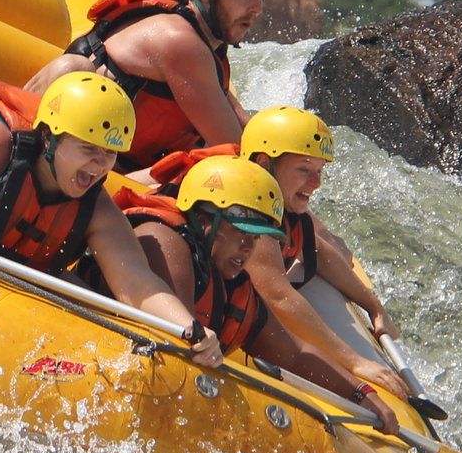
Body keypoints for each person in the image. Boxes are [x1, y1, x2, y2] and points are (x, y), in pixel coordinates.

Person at [0, 72, 222, 363]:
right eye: (88, 148)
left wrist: (187, 328)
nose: (99, 166)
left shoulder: (97, 210)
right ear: (49, 138)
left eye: (110, 154)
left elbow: (137, 286)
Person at [119, 155, 400, 431]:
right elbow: (178, 344)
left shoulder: (235, 286)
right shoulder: (164, 243)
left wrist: (362, 394)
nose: (248, 248)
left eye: (255, 238)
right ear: (205, 219)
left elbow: (294, 355)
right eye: (241, 233)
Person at [144, 107, 411, 385]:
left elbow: (316, 251)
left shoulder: (276, 202)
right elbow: (278, 296)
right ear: (262, 163)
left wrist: (373, 305)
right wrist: (355, 362)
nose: (316, 183)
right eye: (304, 169)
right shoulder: (242, 205)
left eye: (319, 171)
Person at [28, 0, 281, 171]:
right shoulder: (178, 40)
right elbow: (234, 151)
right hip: (79, 159)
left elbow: (237, 118)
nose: (257, 8)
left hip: (120, 166)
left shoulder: (207, 45)